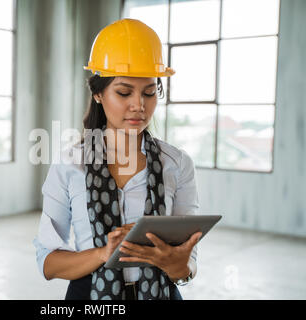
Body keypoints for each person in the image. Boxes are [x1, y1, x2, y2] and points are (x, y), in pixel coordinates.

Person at [33, 18, 201, 300]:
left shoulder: (178, 164)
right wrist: (102, 253)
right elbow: (48, 262)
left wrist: (180, 267)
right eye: (124, 93)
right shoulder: (70, 165)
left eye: (149, 93)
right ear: (98, 93)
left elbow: (188, 261)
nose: (139, 105)